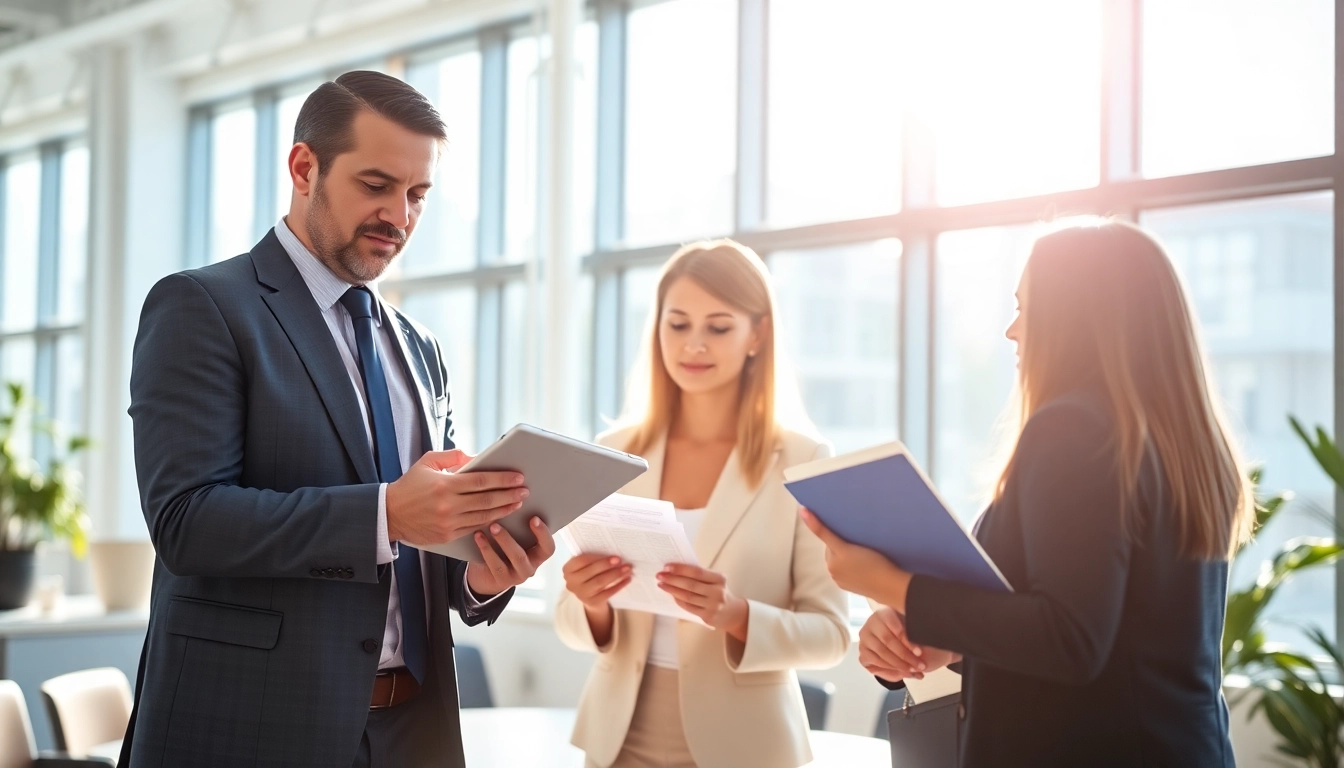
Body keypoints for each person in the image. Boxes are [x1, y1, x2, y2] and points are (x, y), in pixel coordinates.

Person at [120, 71, 556, 768]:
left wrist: (484, 572)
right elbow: (186, 522)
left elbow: (427, 561)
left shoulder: (418, 348)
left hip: (414, 728)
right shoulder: (204, 307)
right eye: (376, 185)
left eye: (417, 195)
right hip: (254, 728)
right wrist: (387, 515)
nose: (400, 216)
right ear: (304, 168)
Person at [803, 221, 1250, 767]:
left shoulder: (1076, 430)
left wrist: (891, 585)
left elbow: (1070, 639)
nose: (1012, 331)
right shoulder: (1181, 442)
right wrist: (941, 641)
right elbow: (1114, 639)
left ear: (1080, 318)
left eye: (1026, 307)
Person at [555, 240, 850, 768]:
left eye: (717, 327)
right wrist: (591, 601)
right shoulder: (616, 452)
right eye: (678, 324)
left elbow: (831, 635)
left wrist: (736, 615)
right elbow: (569, 620)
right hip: (619, 742)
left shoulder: (803, 459)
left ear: (757, 334)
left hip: (747, 748)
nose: (693, 345)